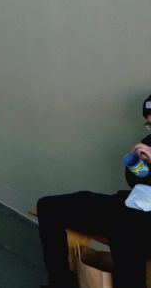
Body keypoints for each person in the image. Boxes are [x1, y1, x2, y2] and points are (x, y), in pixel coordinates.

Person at [37, 96, 151, 288]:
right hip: (128, 205)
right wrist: (138, 165)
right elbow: (138, 182)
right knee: (48, 206)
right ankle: (61, 282)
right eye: (149, 123)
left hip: (142, 220)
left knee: (124, 235)